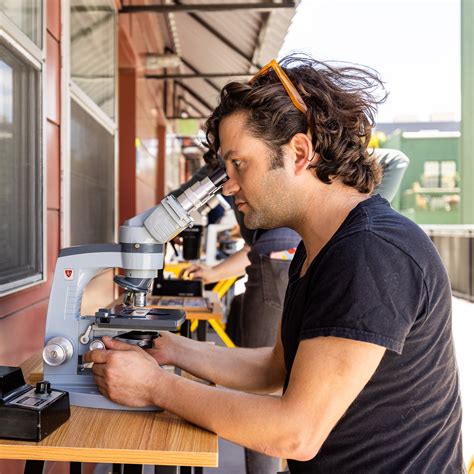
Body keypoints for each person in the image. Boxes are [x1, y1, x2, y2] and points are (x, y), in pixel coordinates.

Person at [85, 55, 462, 472]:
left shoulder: (372, 252)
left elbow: (295, 433)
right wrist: (168, 349)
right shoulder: (318, 249)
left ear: (299, 152)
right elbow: (275, 367)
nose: (228, 185)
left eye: (239, 163)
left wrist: (157, 387)